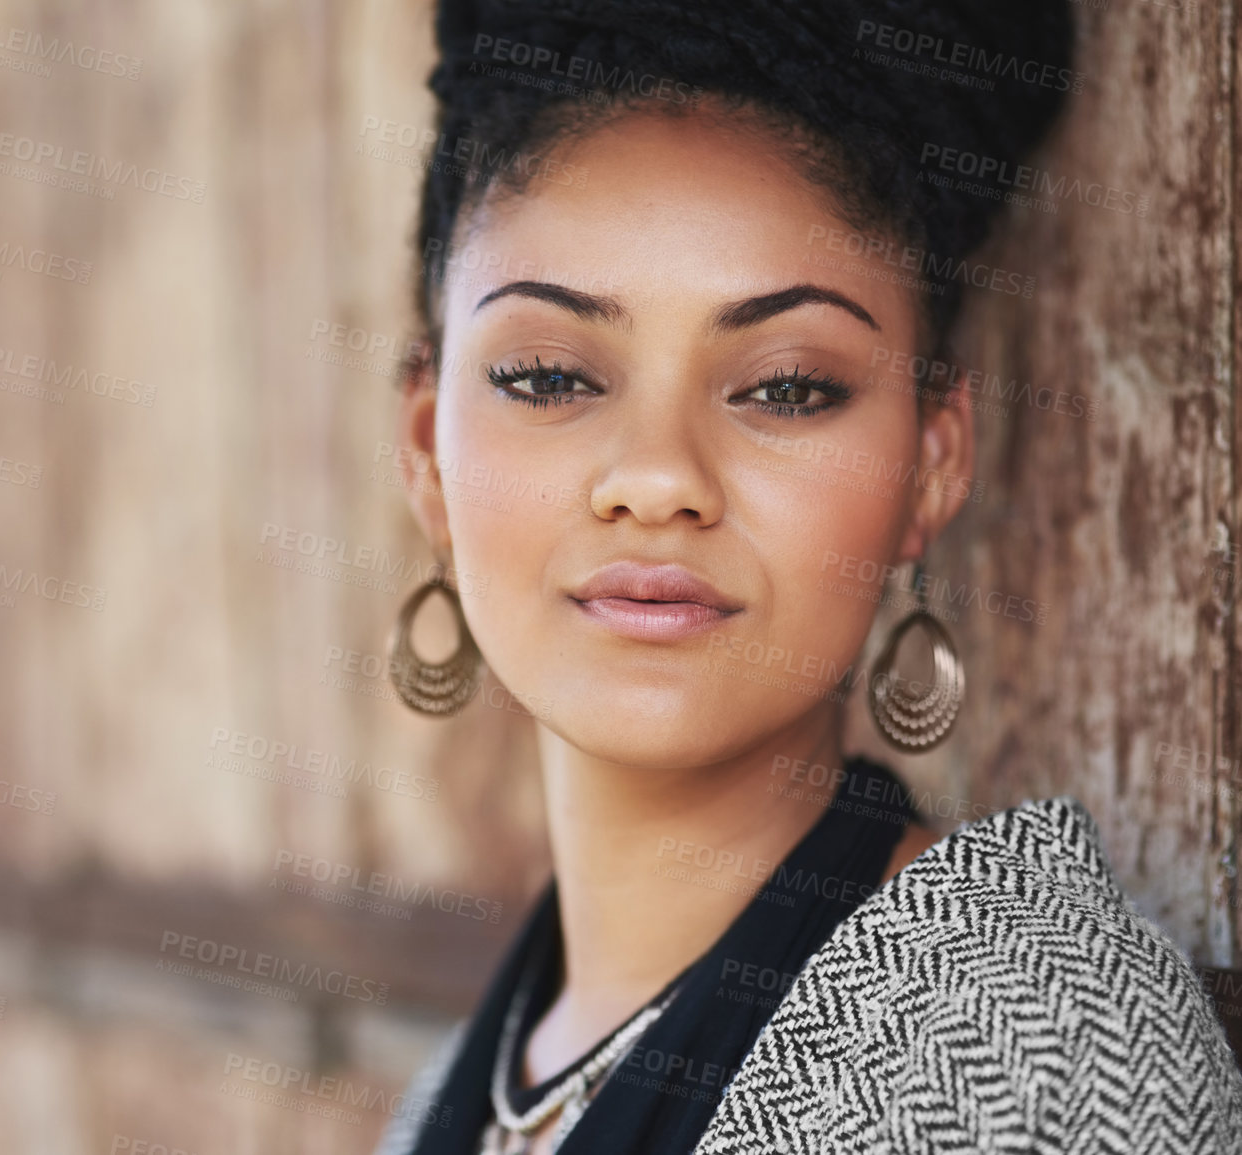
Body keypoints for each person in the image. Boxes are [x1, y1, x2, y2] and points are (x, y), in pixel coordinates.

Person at [370, 1, 1242, 1152]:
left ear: (931, 464)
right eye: (548, 375)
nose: (658, 478)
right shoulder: (450, 1095)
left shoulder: (1022, 1040)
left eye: (785, 387)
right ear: (430, 453)